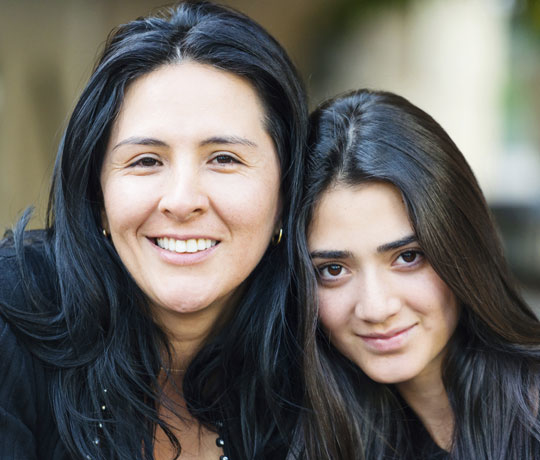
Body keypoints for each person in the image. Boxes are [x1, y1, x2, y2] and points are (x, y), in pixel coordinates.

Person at [0, 2, 308, 459]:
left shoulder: (320, 354)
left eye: (224, 158)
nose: (182, 201)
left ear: (285, 193)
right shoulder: (11, 322)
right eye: (146, 161)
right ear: (97, 195)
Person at [297, 89, 540, 459]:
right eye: (333, 270)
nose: (376, 308)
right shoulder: (317, 434)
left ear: (460, 245)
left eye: (408, 257)